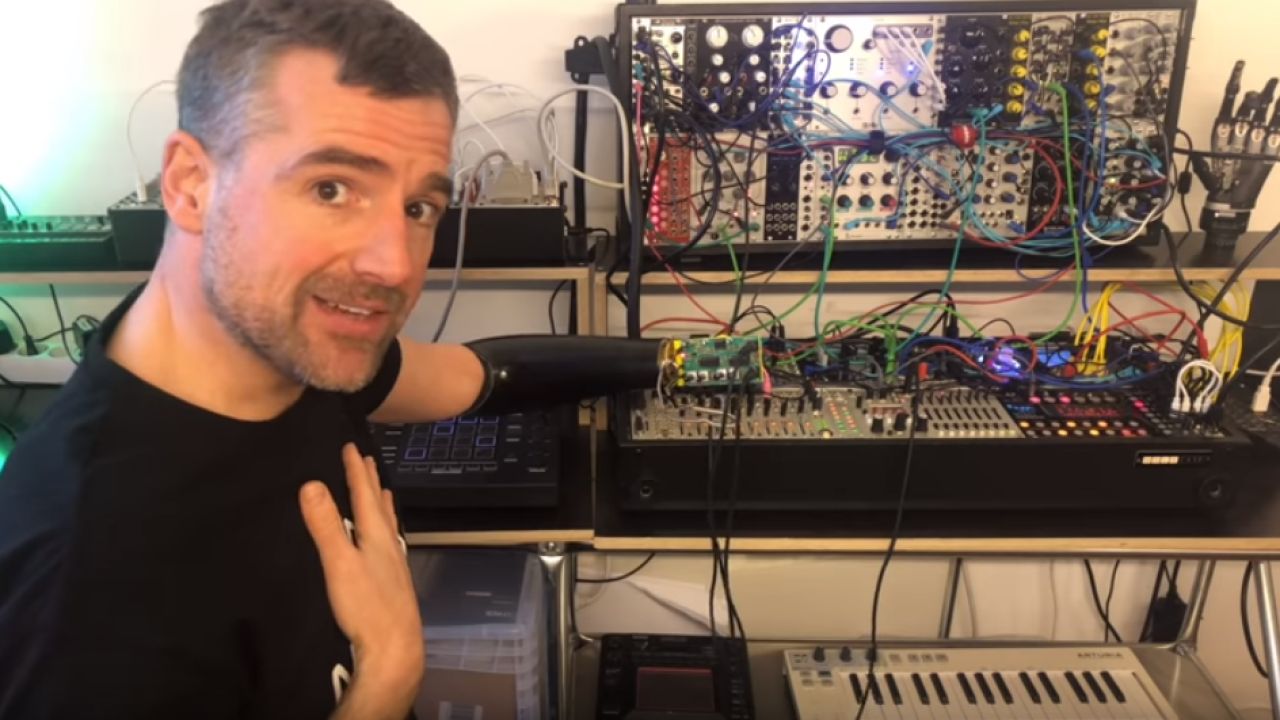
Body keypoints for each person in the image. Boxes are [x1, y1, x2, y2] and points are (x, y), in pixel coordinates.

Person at [0, 1, 660, 717]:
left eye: (418, 208)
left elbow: (472, 380)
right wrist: (390, 673)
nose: (394, 266)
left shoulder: (286, 342)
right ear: (190, 183)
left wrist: (681, 360)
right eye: (331, 188)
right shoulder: (85, 587)